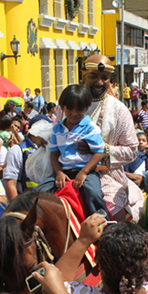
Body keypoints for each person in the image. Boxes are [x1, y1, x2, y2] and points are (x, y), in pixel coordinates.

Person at [56, 55, 142, 221]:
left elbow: (132, 151)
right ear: (84, 76)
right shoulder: (67, 103)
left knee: (112, 212)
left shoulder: (119, 110)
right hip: (64, 171)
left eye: (105, 78)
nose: (99, 82)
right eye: (94, 76)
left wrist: (102, 150)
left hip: (104, 175)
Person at [36, 84, 109, 219]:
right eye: (70, 108)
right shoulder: (57, 129)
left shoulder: (90, 128)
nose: (74, 113)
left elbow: (99, 152)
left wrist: (84, 172)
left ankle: (103, 221)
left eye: (80, 109)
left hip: (86, 171)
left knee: (93, 193)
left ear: (87, 108)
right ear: (62, 107)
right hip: (64, 170)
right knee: (38, 191)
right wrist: (59, 173)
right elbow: (54, 153)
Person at [3, 115, 51, 201]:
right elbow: (10, 182)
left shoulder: (51, 149)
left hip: (47, 202)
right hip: (26, 202)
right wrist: (17, 208)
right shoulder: (17, 151)